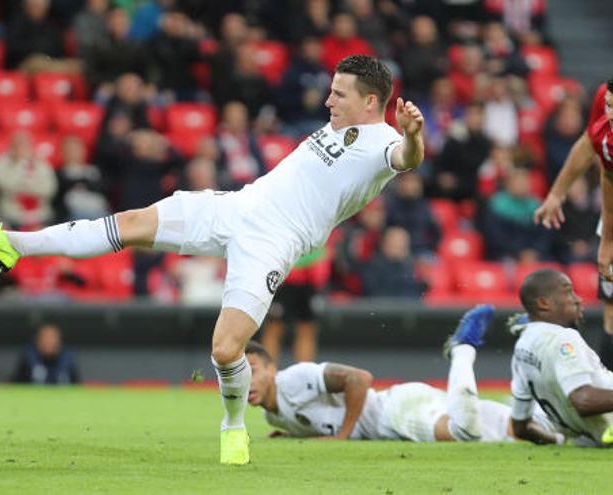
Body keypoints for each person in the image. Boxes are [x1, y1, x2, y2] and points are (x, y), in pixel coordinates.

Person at [0, 55, 426, 465]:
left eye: (339, 94)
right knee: (132, 223)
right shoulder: (340, 124)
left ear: (370, 102)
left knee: (225, 350)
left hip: (273, 242)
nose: (328, 101)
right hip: (237, 206)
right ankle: (14, 244)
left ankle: (233, 424)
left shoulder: (381, 145)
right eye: (331, 91)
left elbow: (405, 158)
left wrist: (412, 136)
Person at [246, 306, 560, 444]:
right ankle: (552, 407)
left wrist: (344, 434)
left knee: (465, 433)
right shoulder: (273, 416)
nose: (244, 381)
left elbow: (359, 378)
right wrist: (292, 434)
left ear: (272, 368)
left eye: (253, 370)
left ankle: (462, 349)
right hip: (406, 402)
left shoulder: (292, 379)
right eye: (236, 375)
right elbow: (315, 419)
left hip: (393, 412)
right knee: (523, 432)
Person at [533, 77, 613, 368]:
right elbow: (600, 156)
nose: (610, 114)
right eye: (609, 106)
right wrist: (557, 193)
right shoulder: (605, 109)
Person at [508, 268, 613, 446]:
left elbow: (520, 427)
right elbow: (583, 400)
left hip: (589, 441)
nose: (578, 299)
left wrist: (557, 439)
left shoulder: (522, 347)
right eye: (568, 292)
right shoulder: (564, 338)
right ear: (543, 303)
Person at [11, 323, 80, 384]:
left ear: (59, 341)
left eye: (52, 338)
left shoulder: (67, 359)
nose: (48, 341)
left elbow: (77, 385)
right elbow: (14, 385)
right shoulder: (28, 358)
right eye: (45, 338)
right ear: (38, 341)